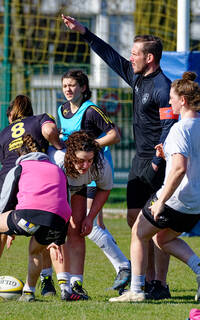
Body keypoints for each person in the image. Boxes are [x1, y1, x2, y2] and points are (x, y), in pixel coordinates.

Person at [61, 14, 178, 299]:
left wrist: (157, 160)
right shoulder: (137, 78)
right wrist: (84, 32)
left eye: (135, 53)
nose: (130, 57)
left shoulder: (163, 88)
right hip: (139, 160)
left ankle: (158, 283)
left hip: (156, 161)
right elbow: (110, 56)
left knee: (155, 221)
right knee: (134, 220)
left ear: (149, 58)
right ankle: (148, 279)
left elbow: (169, 126)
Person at [109, 72, 200, 302]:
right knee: (163, 239)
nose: (169, 102)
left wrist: (161, 201)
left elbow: (179, 170)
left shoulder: (179, 129)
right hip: (198, 202)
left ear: (183, 101)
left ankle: (136, 291)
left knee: (138, 232)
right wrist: (166, 153)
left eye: (172, 98)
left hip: (176, 199)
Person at [57, 69, 130, 295]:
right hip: (75, 173)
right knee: (81, 227)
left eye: (73, 85)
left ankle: (124, 266)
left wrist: (89, 150)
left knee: (90, 226)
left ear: (83, 88)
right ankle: (121, 267)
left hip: (95, 171)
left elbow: (115, 135)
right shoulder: (62, 111)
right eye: (65, 86)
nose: (68, 89)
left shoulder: (91, 110)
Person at [0, 134, 77, 302]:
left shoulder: (20, 168)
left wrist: (8, 230)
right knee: (36, 249)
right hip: (57, 222)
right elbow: (65, 201)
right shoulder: (57, 169)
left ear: (20, 154)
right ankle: (34, 292)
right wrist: (59, 236)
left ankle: (29, 293)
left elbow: (4, 201)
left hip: (27, 218)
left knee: (5, 228)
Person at [0, 94, 63, 296]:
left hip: (10, 179)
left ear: (11, 115)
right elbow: (49, 130)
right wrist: (58, 145)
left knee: (2, 227)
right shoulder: (39, 118)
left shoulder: (4, 132)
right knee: (41, 227)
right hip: (36, 180)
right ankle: (46, 282)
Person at [48, 131, 114, 300]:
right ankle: (51, 280)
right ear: (70, 156)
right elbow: (55, 202)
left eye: (89, 160)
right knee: (53, 232)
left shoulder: (100, 164)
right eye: (81, 160)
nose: (86, 165)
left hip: (78, 187)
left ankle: (76, 285)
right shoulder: (57, 161)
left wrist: (90, 217)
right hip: (52, 187)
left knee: (77, 230)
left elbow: (104, 189)